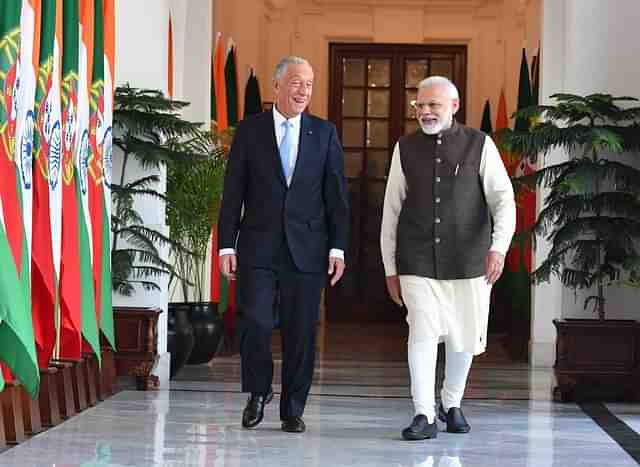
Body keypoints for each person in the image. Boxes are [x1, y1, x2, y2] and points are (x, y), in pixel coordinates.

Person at [218, 56, 349, 434]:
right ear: (276, 87)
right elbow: (233, 192)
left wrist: (337, 248)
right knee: (256, 321)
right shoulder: (249, 131)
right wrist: (226, 244)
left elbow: (336, 196)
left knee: (301, 329)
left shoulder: (324, 133)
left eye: (308, 83)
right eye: (295, 82)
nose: (303, 90)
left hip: (307, 247)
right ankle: (258, 392)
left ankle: (293, 407)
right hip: (257, 246)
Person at [380, 76, 516, 440]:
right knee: (422, 333)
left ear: (454, 106)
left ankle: (451, 404)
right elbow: (391, 211)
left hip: (470, 260)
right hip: (417, 259)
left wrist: (498, 247)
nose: (424, 112)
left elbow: (503, 200)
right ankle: (423, 414)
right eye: (420, 105)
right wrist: (390, 269)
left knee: (462, 337)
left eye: (433, 105)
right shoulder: (404, 148)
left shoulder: (479, 144)